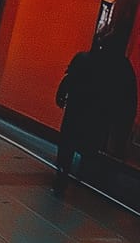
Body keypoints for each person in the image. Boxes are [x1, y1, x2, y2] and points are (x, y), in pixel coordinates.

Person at [53, 27, 139, 193]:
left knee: (68, 142)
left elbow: (69, 79)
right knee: (90, 144)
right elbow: (128, 97)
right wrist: (123, 121)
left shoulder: (85, 58)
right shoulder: (122, 67)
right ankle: (82, 174)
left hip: (77, 108)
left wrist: (62, 95)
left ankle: (62, 174)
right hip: (100, 113)